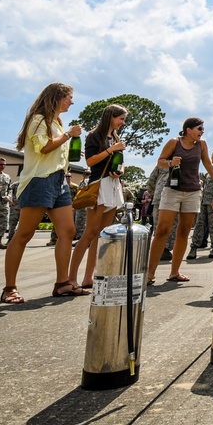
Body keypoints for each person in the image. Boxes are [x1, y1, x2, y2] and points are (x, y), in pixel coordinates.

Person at [2, 82, 87, 303]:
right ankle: (9, 288)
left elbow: (56, 151)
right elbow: (44, 147)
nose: (72, 101)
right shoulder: (39, 119)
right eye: (69, 97)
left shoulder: (57, 122)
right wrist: (69, 135)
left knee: (68, 232)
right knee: (24, 234)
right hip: (39, 181)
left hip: (59, 181)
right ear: (57, 97)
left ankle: (62, 283)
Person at [148, 117, 213, 285]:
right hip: (173, 190)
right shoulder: (174, 142)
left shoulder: (201, 144)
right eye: (199, 128)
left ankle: (174, 272)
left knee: (184, 231)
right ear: (188, 130)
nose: (202, 131)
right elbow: (160, 162)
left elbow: (207, 164)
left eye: (203, 129)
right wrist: (170, 162)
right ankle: (149, 273)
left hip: (193, 191)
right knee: (162, 230)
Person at [67, 104, 128, 290]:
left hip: (113, 185)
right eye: (121, 119)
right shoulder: (94, 135)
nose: (122, 123)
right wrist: (111, 150)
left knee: (102, 235)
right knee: (89, 233)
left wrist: (121, 171)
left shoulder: (115, 137)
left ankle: (89, 277)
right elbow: (90, 161)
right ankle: (71, 279)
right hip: (98, 185)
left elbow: (120, 163)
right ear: (111, 117)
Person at [188, 149, 213, 260]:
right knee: (199, 225)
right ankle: (194, 247)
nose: (210, 157)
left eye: (212, 155)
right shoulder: (212, 168)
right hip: (205, 201)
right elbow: (206, 179)